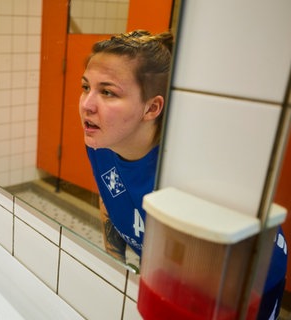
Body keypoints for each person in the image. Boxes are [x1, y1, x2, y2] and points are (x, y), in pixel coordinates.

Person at [79, 30, 286, 319]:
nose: (86, 105)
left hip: (244, 281)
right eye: (85, 86)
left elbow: (202, 288)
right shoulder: (102, 141)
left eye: (107, 92)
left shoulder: (187, 176)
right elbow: (112, 200)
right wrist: (116, 271)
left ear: (152, 108)